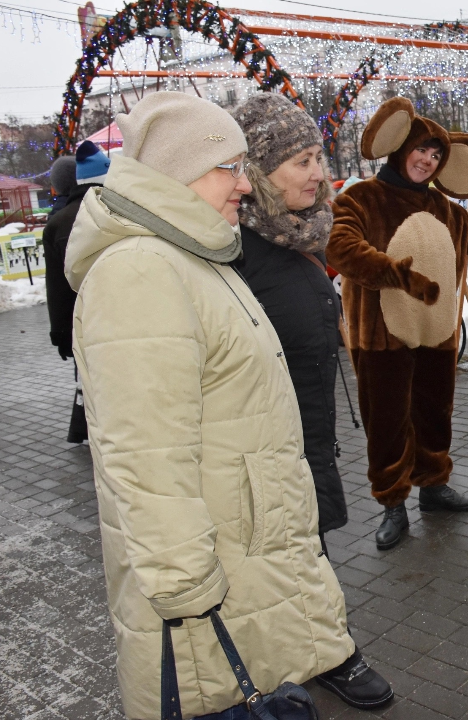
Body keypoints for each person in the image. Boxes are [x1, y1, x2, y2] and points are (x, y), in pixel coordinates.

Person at [64, 92, 389, 720]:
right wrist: (186, 586)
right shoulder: (140, 271)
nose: (246, 185)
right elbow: (146, 460)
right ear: (182, 171)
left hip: (241, 536)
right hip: (204, 575)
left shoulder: (192, 254)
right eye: (231, 168)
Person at [327, 97, 468, 550]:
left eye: (436, 156)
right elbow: (340, 246)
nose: (428, 161)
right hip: (381, 336)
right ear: (400, 147)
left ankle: (432, 487)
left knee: (435, 414)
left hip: (437, 331)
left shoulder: (447, 209)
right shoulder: (362, 198)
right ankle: (393, 503)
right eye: (422, 151)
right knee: (387, 421)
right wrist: (394, 273)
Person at [231, 93, 350, 554]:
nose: (319, 174)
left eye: (318, 158)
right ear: (259, 170)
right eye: (302, 161)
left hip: (309, 446)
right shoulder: (235, 249)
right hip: (268, 474)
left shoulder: (301, 233)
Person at [44, 142, 110, 443]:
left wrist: (60, 332)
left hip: (80, 320)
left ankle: (89, 430)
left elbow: (57, 287)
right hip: (115, 316)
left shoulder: (58, 223)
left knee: (87, 378)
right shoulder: (115, 210)